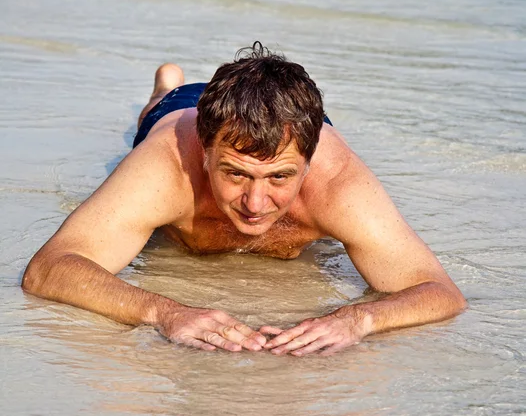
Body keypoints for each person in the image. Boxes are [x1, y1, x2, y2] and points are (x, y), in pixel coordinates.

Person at [22, 43, 466, 356]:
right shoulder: (166, 167)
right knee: (159, 114)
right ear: (205, 154)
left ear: (308, 161)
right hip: (184, 112)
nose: (256, 202)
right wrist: (163, 311)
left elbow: (440, 292)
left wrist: (358, 319)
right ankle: (163, 90)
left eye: (280, 177)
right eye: (235, 173)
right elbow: (48, 269)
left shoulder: (338, 184)